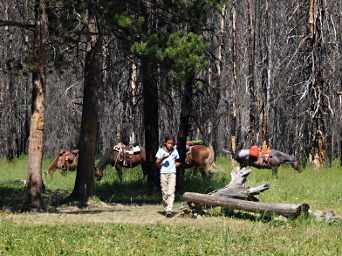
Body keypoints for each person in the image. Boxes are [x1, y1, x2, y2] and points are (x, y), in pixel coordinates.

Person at [155, 135, 181, 217]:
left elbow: (178, 161)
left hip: (172, 173)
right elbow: (157, 163)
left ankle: (169, 210)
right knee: (164, 192)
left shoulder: (175, 151)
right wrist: (163, 158)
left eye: (172, 144)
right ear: (165, 143)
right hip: (163, 173)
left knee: (171, 191)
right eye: (169, 143)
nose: (171, 145)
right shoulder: (161, 151)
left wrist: (175, 165)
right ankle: (166, 206)